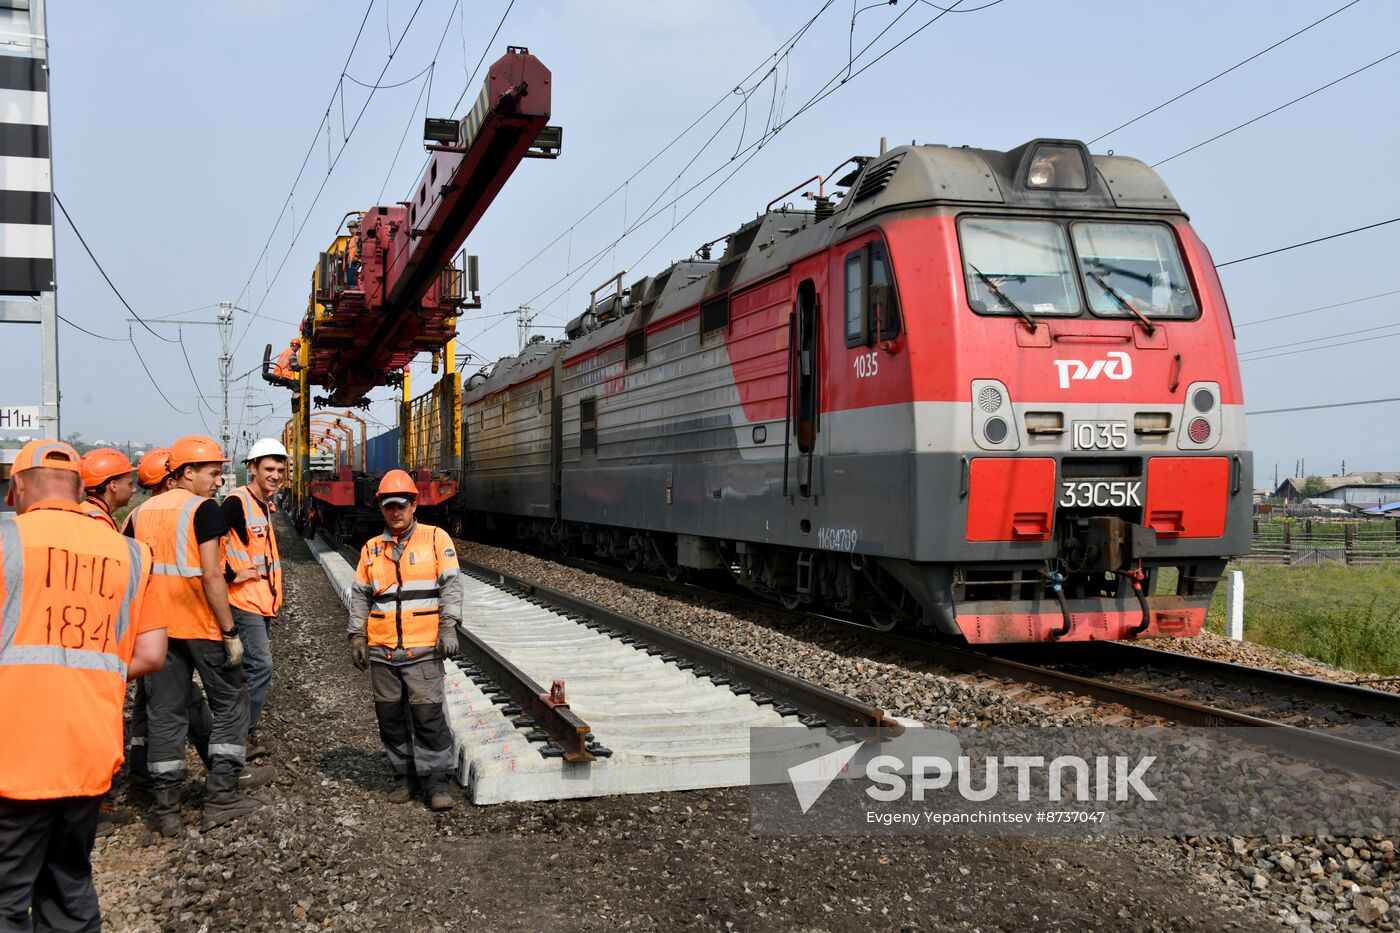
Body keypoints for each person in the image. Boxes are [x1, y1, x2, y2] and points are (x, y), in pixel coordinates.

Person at [0, 439, 164, 930]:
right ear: (77, 489)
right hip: (89, 754)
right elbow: (152, 655)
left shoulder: (8, 542)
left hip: (13, 758)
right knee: (69, 889)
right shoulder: (132, 555)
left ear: (18, 487)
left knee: (6, 898)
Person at [127, 435, 262, 835]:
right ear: (187, 472)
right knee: (232, 702)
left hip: (155, 628)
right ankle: (222, 795)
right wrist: (230, 630)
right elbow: (210, 575)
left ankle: (165, 807)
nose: (219, 481)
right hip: (200, 623)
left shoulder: (140, 513)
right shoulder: (204, 510)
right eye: (213, 472)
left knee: (164, 712)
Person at [347, 469, 461, 811]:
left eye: (401, 505)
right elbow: (361, 595)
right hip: (383, 651)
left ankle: (437, 782)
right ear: (381, 508)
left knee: (428, 718)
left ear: (414, 504)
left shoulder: (436, 539)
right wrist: (356, 635)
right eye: (388, 506)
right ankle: (405, 778)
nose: (395, 512)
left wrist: (449, 625)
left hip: (423, 649)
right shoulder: (371, 550)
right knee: (390, 719)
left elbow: (451, 586)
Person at [221, 438, 287, 758]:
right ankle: (240, 735)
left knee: (251, 669)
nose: (276, 475)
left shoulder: (263, 504)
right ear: (252, 469)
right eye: (269, 469)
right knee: (261, 666)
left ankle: (237, 733)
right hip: (243, 600)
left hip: (261, 602)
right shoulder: (237, 502)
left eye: (280, 470)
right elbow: (204, 539)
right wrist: (229, 574)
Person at [78, 448, 137, 531]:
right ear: (113, 486)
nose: (134, 489)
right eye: (130, 484)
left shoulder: (86, 511)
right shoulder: (99, 523)